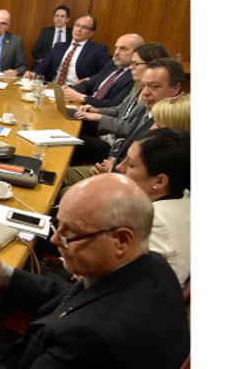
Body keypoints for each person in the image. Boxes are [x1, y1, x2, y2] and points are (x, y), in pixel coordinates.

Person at [0, 173, 190, 369]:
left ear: (121, 239)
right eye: (57, 225)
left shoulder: (92, 337)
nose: (57, 240)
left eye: (70, 233)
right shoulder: (153, 267)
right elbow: (76, 295)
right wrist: (2, 272)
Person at [60, 58, 185, 194]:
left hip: (128, 185)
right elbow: (128, 140)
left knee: (67, 192)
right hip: (115, 166)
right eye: (143, 86)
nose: (145, 93)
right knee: (57, 175)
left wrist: (112, 170)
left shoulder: (173, 124)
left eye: (154, 87)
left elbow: (149, 181)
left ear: (175, 88)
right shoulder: (148, 109)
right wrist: (113, 160)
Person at [70, 42, 168, 164]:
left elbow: (131, 129)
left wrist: (99, 117)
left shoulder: (154, 96)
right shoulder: (137, 85)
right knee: (76, 124)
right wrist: (96, 110)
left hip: (119, 145)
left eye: (136, 64)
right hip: (113, 135)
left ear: (152, 65)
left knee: (74, 139)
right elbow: (119, 109)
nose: (132, 68)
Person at [116, 128, 190, 285]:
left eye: (131, 165)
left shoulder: (154, 222)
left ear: (160, 181)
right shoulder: (183, 198)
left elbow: (122, 282)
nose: (120, 168)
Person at [62, 33, 143, 108]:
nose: (116, 53)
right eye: (116, 48)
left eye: (123, 49)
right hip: (83, 107)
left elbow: (114, 105)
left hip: (99, 115)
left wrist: (83, 98)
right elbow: (88, 84)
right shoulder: (111, 64)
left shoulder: (135, 76)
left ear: (137, 53)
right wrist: (71, 91)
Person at [26, 14, 111, 85]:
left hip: (76, 91)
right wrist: (34, 74)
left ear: (91, 33)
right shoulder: (59, 47)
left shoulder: (98, 50)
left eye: (84, 27)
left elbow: (110, 70)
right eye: (77, 25)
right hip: (51, 87)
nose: (79, 29)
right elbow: (43, 66)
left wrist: (88, 79)